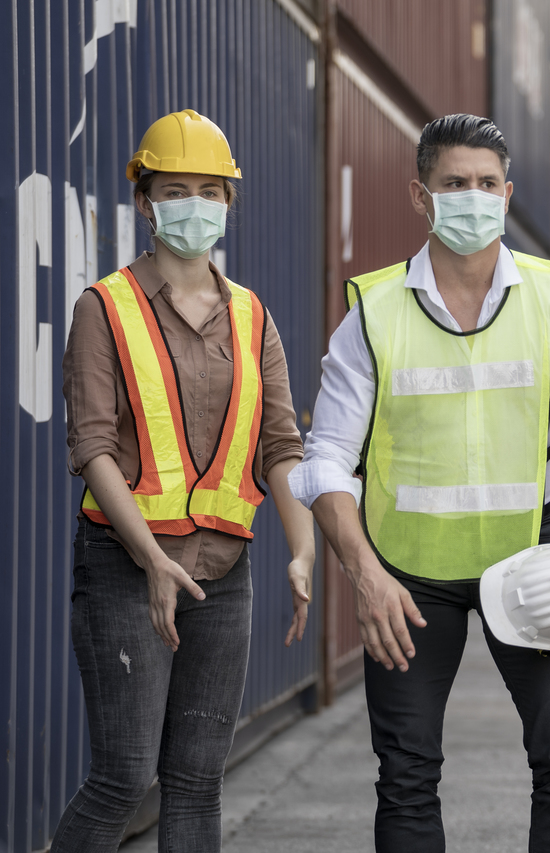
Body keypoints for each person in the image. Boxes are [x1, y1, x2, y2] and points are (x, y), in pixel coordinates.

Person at [287, 113, 550, 852]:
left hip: (529, 555)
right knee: (405, 774)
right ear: (419, 196)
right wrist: (365, 575)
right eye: (454, 183)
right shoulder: (373, 312)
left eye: (486, 184)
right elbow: (326, 457)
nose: (473, 197)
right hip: (404, 572)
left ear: (508, 192)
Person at [54, 109, 314, 851]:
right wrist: (152, 558)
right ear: (144, 200)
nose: (193, 204)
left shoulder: (253, 317)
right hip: (124, 567)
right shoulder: (103, 308)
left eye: (210, 189)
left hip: (224, 573)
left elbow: (280, 443)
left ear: (229, 201)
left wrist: (301, 548)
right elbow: (94, 447)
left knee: (199, 782)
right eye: (174, 188)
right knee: (124, 777)